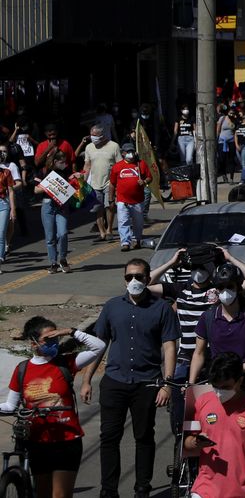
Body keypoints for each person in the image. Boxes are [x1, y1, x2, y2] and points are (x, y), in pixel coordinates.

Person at [81, 259, 181, 498]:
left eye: (138, 277)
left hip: (147, 382)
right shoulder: (112, 307)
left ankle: (142, 487)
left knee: (144, 436)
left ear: (148, 279)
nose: (133, 281)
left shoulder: (162, 309)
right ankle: (108, 490)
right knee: (109, 437)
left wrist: (167, 385)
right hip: (115, 382)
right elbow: (99, 346)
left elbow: (169, 347)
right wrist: (86, 380)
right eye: (129, 277)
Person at [148, 247, 245, 434]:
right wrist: (172, 262)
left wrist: (229, 258)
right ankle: (183, 446)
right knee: (181, 412)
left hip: (212, 360)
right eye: (194, 267)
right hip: (186, 359)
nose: (198, 271)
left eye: (203, 267)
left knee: (210, 413)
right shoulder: (180, 289)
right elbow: (146, 284)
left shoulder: (219, 290)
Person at [1, 317, 106, 498]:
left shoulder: (65, 363)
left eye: (56, 338)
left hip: (66, 440)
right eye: (48, 339)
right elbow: (10, 405)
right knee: (43, 493)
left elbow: (99, 347)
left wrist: (70, 331)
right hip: (37, 440)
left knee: (60, 495)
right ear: (33, 344)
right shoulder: (22, 369)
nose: (54, 342)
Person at [185, 352, 245, 498]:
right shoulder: (202, 402)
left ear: (239, 381)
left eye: (226, 387)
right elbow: (186, 444)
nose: (219, 393)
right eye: (216, 387)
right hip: (205, 490)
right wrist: (195, 442)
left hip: (243, 491)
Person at [189, 263, 245, 393]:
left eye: (230, 286)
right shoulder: (208, 317)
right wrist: (191, 384)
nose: (225, 291)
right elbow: (199, 353)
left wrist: (234, 370)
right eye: (221, 287)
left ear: (238, 287)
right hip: (219, 388)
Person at [33, 149, 77, 274]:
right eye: (62, 162)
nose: (65, 164)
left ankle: (63, 259)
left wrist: (76, 178)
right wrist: (49, 186)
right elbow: (36, 190)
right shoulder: (43, 172)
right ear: (55, 161)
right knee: (50, 237)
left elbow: (71, 185)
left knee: (63, 233)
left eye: (65, 162)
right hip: (47, 205)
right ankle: (53, 263)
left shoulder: (66, 171)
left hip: (62, 206)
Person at [109, 142, 151, 252]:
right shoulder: (117, 167)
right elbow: (112, 183)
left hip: (138, 200)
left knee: (138, 222)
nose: (130, 154)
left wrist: (144, 181)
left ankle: (137, 239)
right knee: (123, 221)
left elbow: (149, 177)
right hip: (123, 200)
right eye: (128, 152)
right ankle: (125, 242)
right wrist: (110, 198)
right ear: (123, 153)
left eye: (132, 151)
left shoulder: (141, 164)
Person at [83, 125, 120, 242]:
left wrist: (119, 183)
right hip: (94, 183)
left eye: (95, 135)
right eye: (91, 135)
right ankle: (102, 232)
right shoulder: (89, 147)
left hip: (110, 183)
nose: (92, 138)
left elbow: (119, 165)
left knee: (110, 206)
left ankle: (109, 230)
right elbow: (87, 165)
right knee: (98, 209)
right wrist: (83, 181)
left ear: (102, 135)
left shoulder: (114, 146)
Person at [233, 109, 245, 184]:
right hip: (239, 146)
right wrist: (236, 145)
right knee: (242, 163)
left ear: (244, 115)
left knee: (244, 163)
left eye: (240, 113)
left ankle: (242, 179)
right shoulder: (238, 125)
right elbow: (235, 135)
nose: (239, 115)